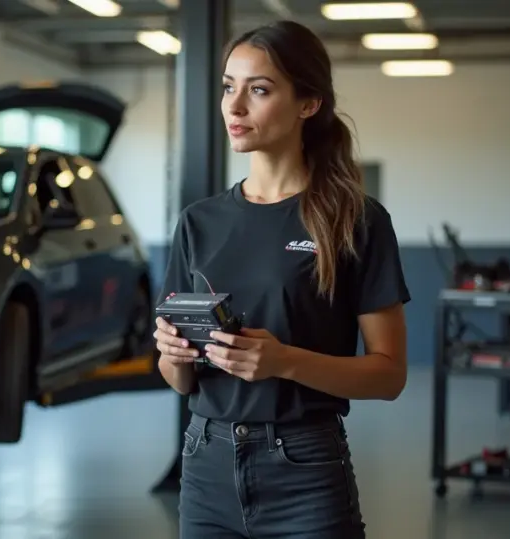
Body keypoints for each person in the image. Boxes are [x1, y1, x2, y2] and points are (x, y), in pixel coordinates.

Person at [153, 20, 411, 539]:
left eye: (259, 90)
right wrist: (173, 356)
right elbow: (180, 380)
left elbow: (389, 376)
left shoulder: (355, 220)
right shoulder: (198, 223)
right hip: (205, 465)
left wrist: (284, 361)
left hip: (304, 471)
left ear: (308, 103)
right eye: (229, 86)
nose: (234, 106)